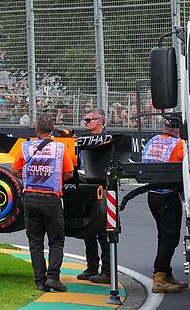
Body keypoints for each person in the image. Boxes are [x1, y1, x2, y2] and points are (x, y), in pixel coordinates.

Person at [12, 114, 74, 292]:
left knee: (35, 241)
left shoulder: (25, 147)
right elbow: (69, 174)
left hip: (30, 197)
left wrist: (30, 175)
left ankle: (40, 281)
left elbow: (15, 170)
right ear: (52, 130)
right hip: (51, 198)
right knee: (56, 240)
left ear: (37, 130)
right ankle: (53, 277)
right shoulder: (61, 148)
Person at [141, 116, 188, 293]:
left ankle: (167, 274)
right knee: (170, 237)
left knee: (163, 235)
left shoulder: (153, 141)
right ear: (179, 129)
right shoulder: (179, 145)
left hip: (153, 194)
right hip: (169, 194)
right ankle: (160, 276)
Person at [77, 108, 111, 284]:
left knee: (104, 232)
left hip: (103, 189)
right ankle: (92, 266)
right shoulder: (82, 140)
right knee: (87, 228)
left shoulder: (108, 141)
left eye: (89, 119)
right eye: (85, 119)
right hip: (85, 187)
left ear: (100, 121)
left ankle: (107, 271)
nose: (86, 122)